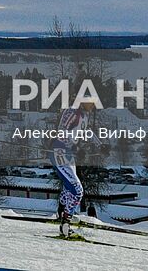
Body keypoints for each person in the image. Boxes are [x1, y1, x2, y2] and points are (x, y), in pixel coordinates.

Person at [50, 96, 92, 237]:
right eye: (90, 101)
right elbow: (62, 131)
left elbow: (86, 131)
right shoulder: (72, 112)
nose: (92, 105)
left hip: (68, 155)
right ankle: (65, 225)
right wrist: (74, 147)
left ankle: (62, 212)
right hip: (60, 153)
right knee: (77, 191)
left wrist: (100, 145)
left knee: (69, 188)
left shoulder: (85, 115)